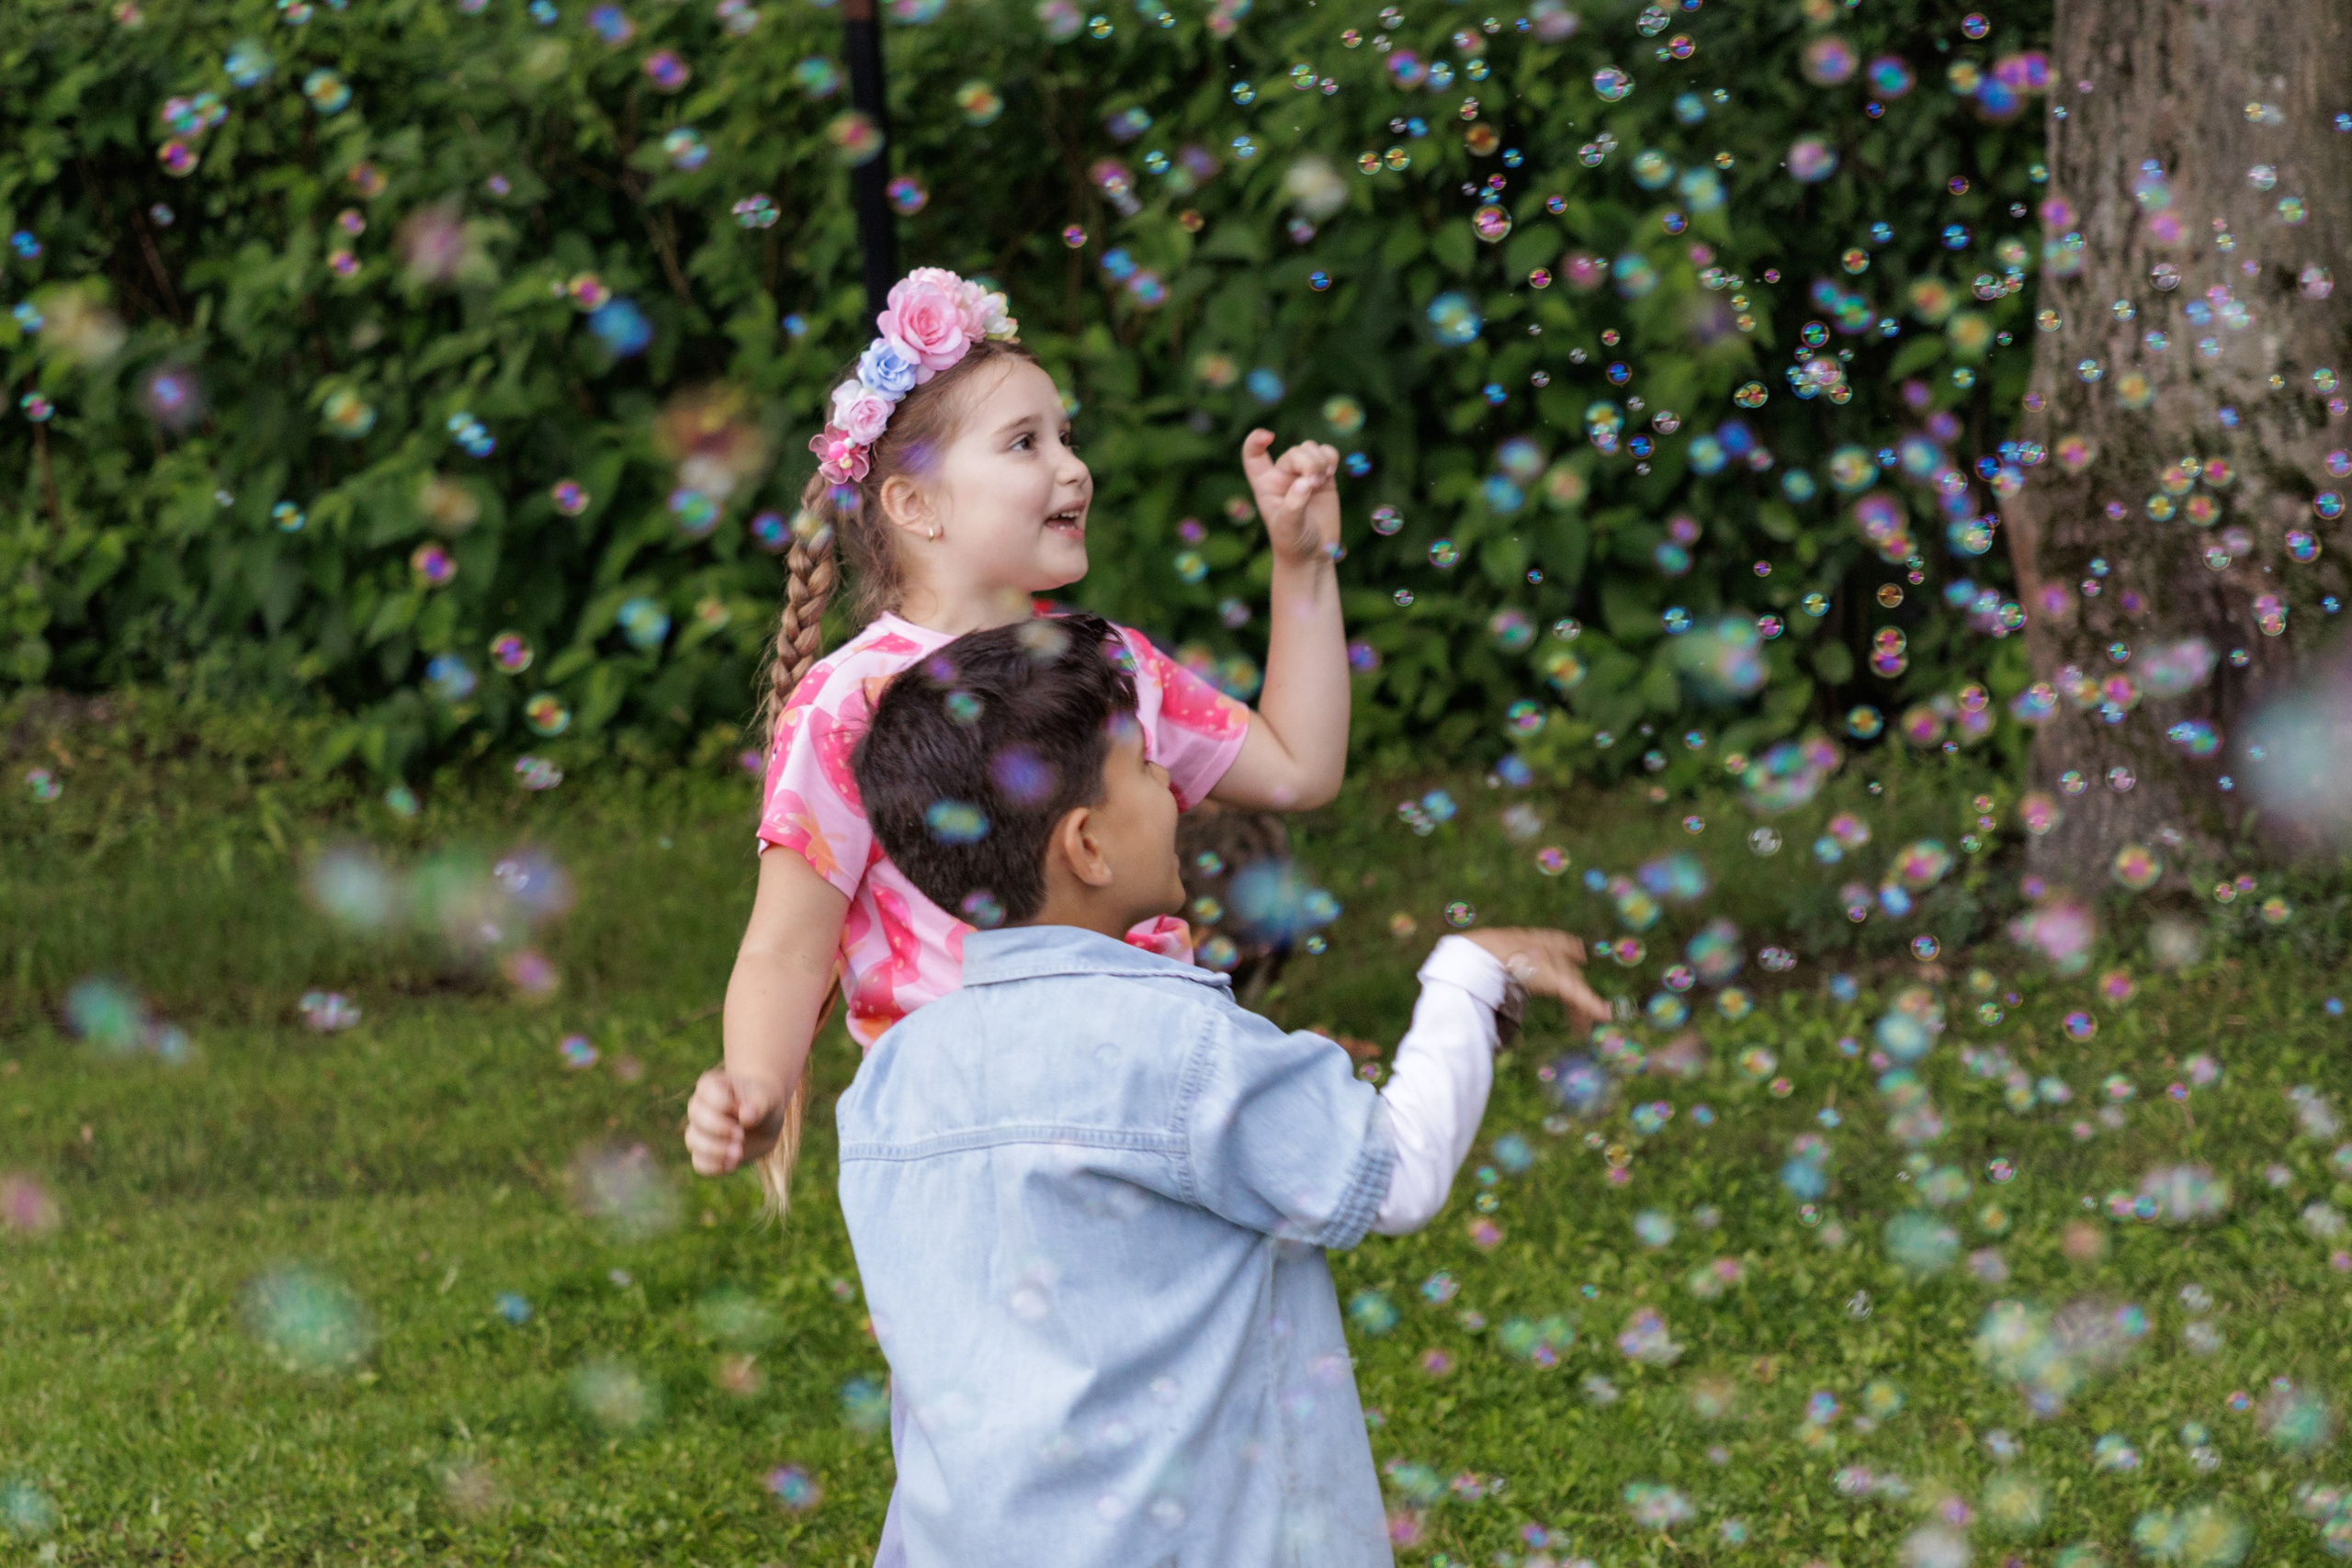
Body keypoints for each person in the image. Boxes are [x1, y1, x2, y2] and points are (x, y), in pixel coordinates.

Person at [836, 614, 1610, 1567]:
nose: (1179, 793)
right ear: (1085, 845)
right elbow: (1394, 1175)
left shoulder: (887, 1086)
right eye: (1149, 773)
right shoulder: (1178, 1048)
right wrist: (1467, 976)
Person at [682, 266, 1351, 1212]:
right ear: (915, 505)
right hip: (964, 1134)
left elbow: (1296, 769)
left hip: (1145, 1097)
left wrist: (1302, 563)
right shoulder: (847, 704)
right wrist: (753, 1083)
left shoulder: (1106, 663)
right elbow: (787, 949)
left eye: (1066, 437)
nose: (1073, 468)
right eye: (1024, 442)